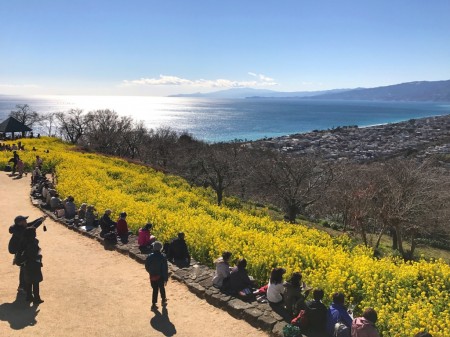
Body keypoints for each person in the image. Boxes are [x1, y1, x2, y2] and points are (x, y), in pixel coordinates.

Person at [8, 215, 46, 292]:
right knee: (23, 268)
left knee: (24, 267)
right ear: (20, 223)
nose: (26, 222)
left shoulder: (19, 227)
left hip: (20, 249)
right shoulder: (20, 231)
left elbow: (30, 224)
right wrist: (40, 221)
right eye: (24, 220)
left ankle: (23, 285)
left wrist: (40, 218)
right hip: (19, 250)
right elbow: (32, 227)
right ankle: (21, 286)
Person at [22, 227, 44, 304]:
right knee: (35, 282)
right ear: (31, 234)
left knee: (29, 282)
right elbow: (33, 255)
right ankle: (36, 298)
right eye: (34, 232)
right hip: (33, 265)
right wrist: (40, 256)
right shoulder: (32, 243)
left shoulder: (25, 242)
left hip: (26, 265)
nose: (35, 233)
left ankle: (29, 296)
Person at [145, 241, 168, 309]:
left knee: (155, 289)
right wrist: (165, 278)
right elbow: (164, 269)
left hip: (152, 276)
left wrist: (150, 272)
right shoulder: (163, 257)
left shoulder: (149, 256)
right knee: (162, 288)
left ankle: (154, 304)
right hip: (160, 276)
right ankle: (163, 300)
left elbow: (146, 266)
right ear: (161, 248)